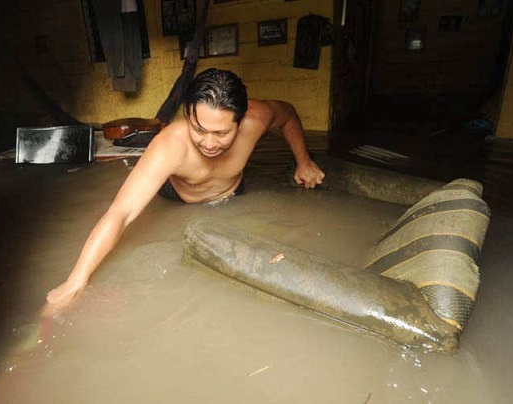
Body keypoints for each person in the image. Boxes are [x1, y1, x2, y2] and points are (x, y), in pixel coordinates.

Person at [45, 68, 325, 311]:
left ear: (241, 122)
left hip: (232, 192)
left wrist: (304, 161)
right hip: (179, 197)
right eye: (199, 129)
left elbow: (288, 114)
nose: (209, 143)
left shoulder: (259, 117)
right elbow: (121, 212)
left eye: (222, 133)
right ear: (188, 115)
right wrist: (75, 282)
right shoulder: (169, 146)